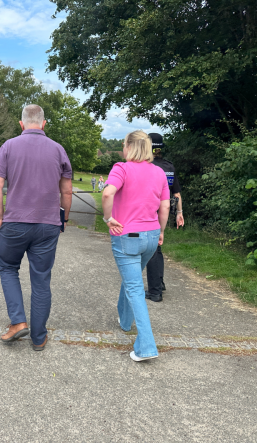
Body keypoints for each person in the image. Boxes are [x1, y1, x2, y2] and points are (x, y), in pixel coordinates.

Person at [0, 104, 72, 351]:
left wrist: (0, 216)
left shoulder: (8, 146)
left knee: (7, 267)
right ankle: (38, 337)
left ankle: (18, 322)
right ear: (44, 124)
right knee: (41, 279)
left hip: (15, 221)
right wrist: (63, 219)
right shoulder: (58, 150)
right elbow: (66, 190)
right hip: (47, 225)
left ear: (21, 124)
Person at [102, 130, 170, 362]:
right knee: (131, 278)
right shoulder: (159, 172)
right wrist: (161, 231)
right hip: (151, 235)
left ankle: (146, 346)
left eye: (123, 144)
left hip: (127, 235)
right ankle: (124, 321)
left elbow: (107, 193)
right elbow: (165, 206)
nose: (123, 148)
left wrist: (108, 218)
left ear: (130, 147)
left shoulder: (121, 168)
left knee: (134, 287)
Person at [145, 133, 184, 302]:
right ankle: (159, 282)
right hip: (165, 210)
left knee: (152, 249)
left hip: (150, 209)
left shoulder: (147, 166)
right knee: (157, 247)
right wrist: (180, 213)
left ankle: (155, 292)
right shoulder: (169, 166)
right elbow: (176, 193)